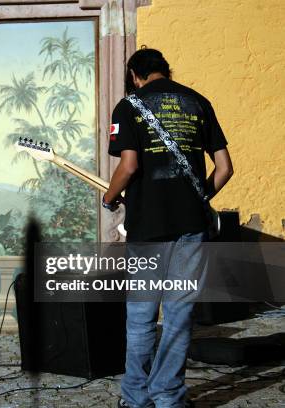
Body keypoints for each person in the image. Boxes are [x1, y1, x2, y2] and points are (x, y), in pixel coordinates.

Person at [102, 47, 234, 408]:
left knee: (142, 318)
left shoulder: (129, 106)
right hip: (191, 226)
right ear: (167, 71)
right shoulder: (198, 102)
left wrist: (109, 197)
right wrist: (200, 196)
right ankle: (168, 397)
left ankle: (135, 399)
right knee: (179, 316)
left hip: (147, 228)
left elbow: (128, 166)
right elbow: (224, 168)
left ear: (134, 75)